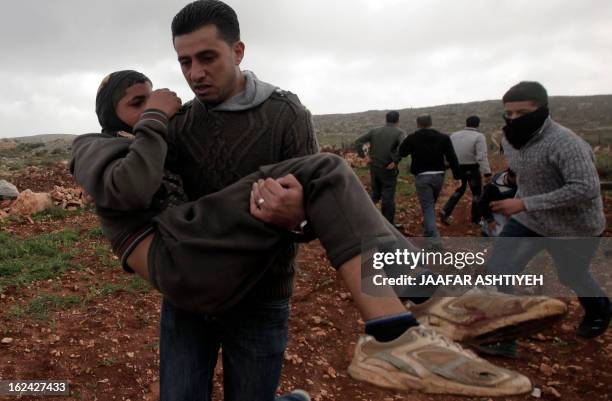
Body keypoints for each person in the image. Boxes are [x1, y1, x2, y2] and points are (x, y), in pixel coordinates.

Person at [70, 69, 539, 399]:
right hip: (183, 263)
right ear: (110, 117)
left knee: (319, 180)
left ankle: (428, 296)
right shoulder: (96, 146)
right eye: (138, 101)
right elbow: (128, 190)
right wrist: (155, 116)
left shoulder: (274, 115)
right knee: (326, 171)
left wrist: (296, 217)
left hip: (242, 277)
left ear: (237, 51)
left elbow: (316, 215)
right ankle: (406, 316)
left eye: (206, 59)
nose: (165, 99)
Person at [486, 81, 611, 340]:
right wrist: (506, 183)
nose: (513, 119)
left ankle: (599, 310)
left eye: (522, 113)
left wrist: (524, 203)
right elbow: (523, 172)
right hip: (529, 221)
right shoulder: (510, 140)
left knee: (571, 275)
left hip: (575, 226)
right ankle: (504, 333)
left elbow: (585, 188)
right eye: (509, 113)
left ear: (543, 110)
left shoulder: (566, 143)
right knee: (500, 268)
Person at [398, 114, 461, 247]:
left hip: (422, 176)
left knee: (428, 207)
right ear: (431, 123)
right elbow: (452, 157)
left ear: (417, 124)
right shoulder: (443, 137)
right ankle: (428, 233)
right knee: (430, 206)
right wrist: (457, 176)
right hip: (439, 175)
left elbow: (402, 152)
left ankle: (435, 240)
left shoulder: (412, 138)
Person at [354, 111, 406, 225]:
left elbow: (358, 142)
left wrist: (365, 156)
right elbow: (404, 147)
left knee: (375, 194)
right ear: (398, 120)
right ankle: (388, 225)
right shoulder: (400, 132)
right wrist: (395, 160)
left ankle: (362, 217)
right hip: (388, 169)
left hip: (374, 168)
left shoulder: (375, 131)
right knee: (388, 197)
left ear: (386, 119)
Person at [441, 115, 492, 225]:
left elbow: (449, 152)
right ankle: (476, 219)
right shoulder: (479, 136)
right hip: (472, 168)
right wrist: (487, 172)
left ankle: (445, 211)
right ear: (478, 124)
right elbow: (481, 156)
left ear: (466, 123)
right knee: (477, 193)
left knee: (459, 190)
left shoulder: (454, 135)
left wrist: (447, 164)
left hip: (457, 168)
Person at [477, 169, 517, 237]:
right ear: (510, 176)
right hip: (495, 212)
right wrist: (490, 220)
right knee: (500, 235)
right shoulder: (492, 187)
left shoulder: (520, 182)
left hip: (513, 210)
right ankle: (486, 229)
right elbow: (482, 203)